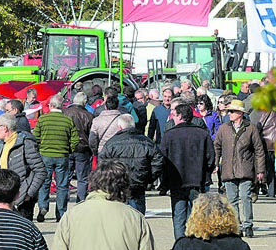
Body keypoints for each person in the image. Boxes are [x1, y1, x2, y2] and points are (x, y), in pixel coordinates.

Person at [161, 102, 216, 241]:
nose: (172, 118)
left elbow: (162, 159)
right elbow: (211, 157)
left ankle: (180, 243)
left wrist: (164, 180)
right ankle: (196, 241)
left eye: (174, 115)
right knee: (197, 213)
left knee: (179, 214)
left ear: (179, 116)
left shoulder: (169, 135)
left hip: (177, 181)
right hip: (197, 180)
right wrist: (206, 172)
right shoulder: (202, 134)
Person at [214, 100, 266, 238]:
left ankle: (248, 225)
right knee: (232, 200)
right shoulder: (224, 128)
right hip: (228, 169)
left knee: (245, 197)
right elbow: (217, 146)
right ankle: (236, 227)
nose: (229, 114)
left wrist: (260, 170)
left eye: (232, 111)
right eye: (228, 111)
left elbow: (259, 150)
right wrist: (214, 163)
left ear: (240, 113)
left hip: (246, 168)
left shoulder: (251, 128)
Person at [98, 114, 163, 215]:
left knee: (119, 217)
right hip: (137, 183)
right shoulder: (146, 142)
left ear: (120, 127)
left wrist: (110, 179)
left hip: (119, 183)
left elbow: (102, 163)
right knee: (138, 217)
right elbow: (158, 160)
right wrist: (148, 177)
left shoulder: (112, 143)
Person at [33, 96, 79, 222]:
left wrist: (40, 148)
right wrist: (69, 150)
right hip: (62, 156)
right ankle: (61, 212)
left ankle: (43, 206)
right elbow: (75, 139)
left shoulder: (43, 119)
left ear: (50, 106)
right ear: (62, 106)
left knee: (44, 183)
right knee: (62, 185)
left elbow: (35, 137)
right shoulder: (67, 120)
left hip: (45, 155)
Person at [0, 114, 46, 220]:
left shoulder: (25, 143)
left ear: (5, 128)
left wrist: (29, 194)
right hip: (4, 199)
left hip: (22, 200)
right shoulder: (1, 144)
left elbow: (40, 170)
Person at [64, 92, 95, 203]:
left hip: (67, 148)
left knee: (65, 177)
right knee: (82, 178)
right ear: (85, 102)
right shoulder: (89, 115)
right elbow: (91, 134)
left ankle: (64, 199)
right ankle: (80, 201)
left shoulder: (64, 113)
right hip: (83, 149)